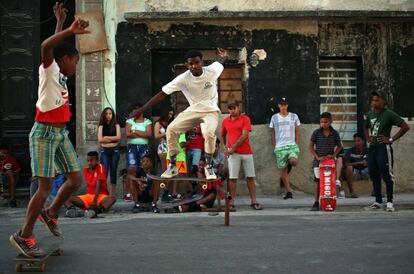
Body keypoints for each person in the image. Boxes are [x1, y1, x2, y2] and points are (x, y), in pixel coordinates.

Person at [9, 3, 89, 257]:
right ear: (65, 59)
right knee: (44, 187)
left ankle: (51, 213)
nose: (76, 67)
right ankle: (24, 235)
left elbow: (53, 47)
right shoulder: (49, 69)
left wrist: (60, 21)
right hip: (43, 133)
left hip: (60, 133)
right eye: (75, 62)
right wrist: (69, 31)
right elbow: (46, 48)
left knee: (76, 180)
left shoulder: (59, 69)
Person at [131, 48, 229, 179]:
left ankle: (209, 166)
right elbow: (162, 94)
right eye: (191, 64)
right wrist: (142, 109)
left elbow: (220, 62)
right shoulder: (182, 79)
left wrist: (223, 56)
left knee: (208, 133)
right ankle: (172, 166)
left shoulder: (212, 70)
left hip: (211, 111)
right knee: (171, 129)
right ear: (187, 65)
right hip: (193, 110)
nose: (194, 66)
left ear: (202, 62)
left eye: (197, 63)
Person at [364, 91, 410, 212]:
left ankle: (389, 202)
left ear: (383, 101)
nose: (374, 102)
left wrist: (390, 139)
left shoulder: (389, 114)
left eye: (377, 100)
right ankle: (378, 201)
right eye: (373, 100)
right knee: (374, 174)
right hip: (372, 148)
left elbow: (405, 126)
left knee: (386, 174)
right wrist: (367, 137)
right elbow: (365, 126)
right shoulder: (370, 114)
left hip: (383, 148)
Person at [221, 102, 262, 211]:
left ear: (238, 108)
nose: (232, 110)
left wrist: (233, 146)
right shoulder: (225, 121)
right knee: (232, 179)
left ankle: (254, 201)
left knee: (250, 177)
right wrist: (224, 146)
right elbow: (222, 134)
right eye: (230, 108)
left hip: (246, 152)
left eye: (234, 108)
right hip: (233, 154)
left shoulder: (245, 119)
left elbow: (244, 135)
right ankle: (231, 201)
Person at [309, 112, 343, 211]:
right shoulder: (316, 133)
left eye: (326, 122)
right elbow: (310, 147)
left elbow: (340, 146)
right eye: (322, 122)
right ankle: (316, 202)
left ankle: (328, 202)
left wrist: (333, 155)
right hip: (318, 161)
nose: (324, 124)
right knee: (318, 181)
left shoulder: (335, 133)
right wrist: (317, 157)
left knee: (328, 182)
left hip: (329, 162)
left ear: (331, 121)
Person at [64, 151, 116, 218]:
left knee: (112, 199)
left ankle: (97, 211)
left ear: (97, 160)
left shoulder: (100, 167)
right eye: (88, 161)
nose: (89, 163)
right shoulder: (85, 170)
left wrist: (94, 200)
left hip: (100, 196)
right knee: (64, 197)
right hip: (89, 196)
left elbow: (99, 183)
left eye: (91, 160)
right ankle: (74, 210)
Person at [269, 97, 300, 199]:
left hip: (291, 146)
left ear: (287, 105)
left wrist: (297, 143)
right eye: (281, 104)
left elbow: (297, 130)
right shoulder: (274, 117)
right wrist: (274, 145)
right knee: (283, 170)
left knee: (293, 161)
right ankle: (288, 191)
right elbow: (272, 131)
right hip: (280, 147)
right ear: (278, 105)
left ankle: (289, 163)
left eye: (285, 104)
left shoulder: (294, 116)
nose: (283, 106)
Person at [125, 104, 152, 201]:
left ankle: (144, 190)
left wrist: (135, 131)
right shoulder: (129, 121)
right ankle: (129, 193)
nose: (135, 113)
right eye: (134, 111)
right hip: (132, 147)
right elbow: (128, 133)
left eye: (137, 111)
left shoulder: (147, 121)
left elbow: (148, 134)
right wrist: (142, 133)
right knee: (131, 169)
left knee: (144, 168)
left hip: (143, 147)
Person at [98, 107, 121, 197]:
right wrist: (112, 140)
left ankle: (112, 196)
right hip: (104, 151)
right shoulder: (101, 126)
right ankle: (103, 195)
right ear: (104, 115)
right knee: (104, 173)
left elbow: (118, 137)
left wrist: (106, 138)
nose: (108, 115)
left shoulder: (116, 125)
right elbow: (100, 139)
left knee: (113, 172)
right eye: (106, 114)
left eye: (110, 113)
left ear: (113, 115)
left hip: (115, 151)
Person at [340, 133, 369, 198]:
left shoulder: (368, 150)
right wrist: (359, 163)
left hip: (366, 171)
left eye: (358, 141)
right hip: (355, 172)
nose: (356, 143)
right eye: (355, 141)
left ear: (363, 141)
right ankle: (351, 192)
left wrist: (368, 162)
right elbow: (346, 164)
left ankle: (376, 191)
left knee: (378, 166)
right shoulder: (350, 151)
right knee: (349, 168)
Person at [154, 107, 174, 173]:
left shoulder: (171, 123)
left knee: (172, 168)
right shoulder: (158, 123)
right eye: (169, 114)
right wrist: (166, 133)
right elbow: (156, 136)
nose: (170, 116)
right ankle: (164, 183)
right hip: (163, 146)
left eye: (171, 114)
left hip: (171, 145)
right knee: (165, 169)